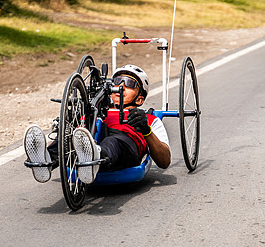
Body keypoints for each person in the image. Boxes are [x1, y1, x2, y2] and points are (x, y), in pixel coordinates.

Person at [23, 64, 170, 184]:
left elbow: (164, 161)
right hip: (90, 139)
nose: (121, 86)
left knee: (112, 141)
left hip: (124, 147)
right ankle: (47, 158)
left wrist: (146, 130)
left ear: (139, 99)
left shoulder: (149, 119)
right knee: (69, 133)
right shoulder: (95, 110)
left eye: (130, 83)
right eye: (117, 81)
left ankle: (95, 154)